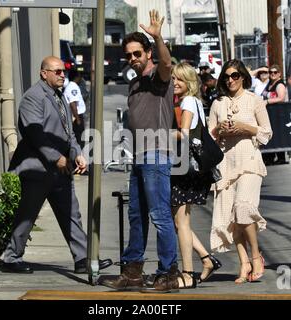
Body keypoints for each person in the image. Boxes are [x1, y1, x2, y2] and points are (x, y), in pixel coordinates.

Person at [0, 56, 112, 274]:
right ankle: (11, 258)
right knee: (27, 214)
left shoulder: (58, 96)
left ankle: (83, 259)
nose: (62, 75)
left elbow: (68, 133)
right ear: (44, 73)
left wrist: (77, 154)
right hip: (37, 169)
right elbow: (34, 134)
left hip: (60, 170)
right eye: (57, 71)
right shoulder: (33, 97)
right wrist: (56, 157)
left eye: (63, 71)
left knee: (72, 214)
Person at [101, 10, 180, 293]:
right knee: (136, 214)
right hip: (139, 156)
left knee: (160, 216)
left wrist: (157, 36)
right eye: (129, 56)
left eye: (137, 53)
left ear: (148, 53)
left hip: (156, 154)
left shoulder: (159, 77)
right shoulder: (134, 82)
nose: (133, 59)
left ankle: (168, 274)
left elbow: (168, 63)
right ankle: (132, 272)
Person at [208, 59, 272, 284]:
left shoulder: (255, 101)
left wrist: (245, 127)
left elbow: (266, 133)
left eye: (235, 75)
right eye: (226, 76)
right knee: (231, 218)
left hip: (250, 161)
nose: (230, 80)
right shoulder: (218, 104)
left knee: (243, 208)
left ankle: (256, 256)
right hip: (226, 163)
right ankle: (243, 263)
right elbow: (210, 137)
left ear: (243, 77)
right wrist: (220, 129)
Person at [171, 63, 222, 289]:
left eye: (179, 79)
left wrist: (158, 132)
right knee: (179, 220)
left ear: (189, 82)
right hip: (190, 169)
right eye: (173, 79)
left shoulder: (188, 101)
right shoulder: (194, 102)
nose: (174, 83)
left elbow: (183, 134)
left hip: (186, 169)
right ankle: (206, 259)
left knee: (180, 221)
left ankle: (188, 274)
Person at [261, 64, 287, 165]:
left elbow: (281, 98)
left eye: (275, 72)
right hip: (271, 114)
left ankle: (280, 157)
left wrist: (267, 102)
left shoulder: (279, 84)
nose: (272, 74)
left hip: (279, 113)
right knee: (271, 134)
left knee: (278, 135)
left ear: (279, 74)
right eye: (270, 72)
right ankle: (270, 157)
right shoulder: (270, 83)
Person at [64, 69, 86, 150]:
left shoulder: (70, 86)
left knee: (79, 138)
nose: (81, 79)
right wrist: (78, 119)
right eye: (80, 77)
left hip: (75, 116)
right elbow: (73, 104)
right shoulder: (73, 87)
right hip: (76, 116)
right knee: (78, 139)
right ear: (76, 77)